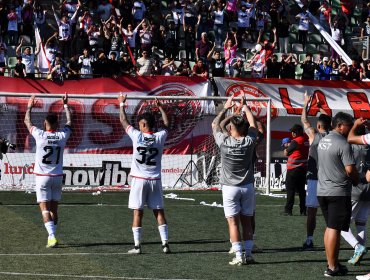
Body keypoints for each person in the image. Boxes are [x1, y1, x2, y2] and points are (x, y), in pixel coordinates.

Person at [118, 93, 170, 254]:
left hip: (139, 180)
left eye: (140, 123)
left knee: (138, 212)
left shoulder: (137, 136)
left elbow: (123, 120)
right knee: (159, 212)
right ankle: (165, 244)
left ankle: (137, 246)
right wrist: (161, 108)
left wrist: (121, 104)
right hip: (155, 179)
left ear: (143, 124)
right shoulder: (159, 137)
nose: (138, 125)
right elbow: (167, 124)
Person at [212, 93, 257, 265]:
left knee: (233, 223)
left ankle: (239, 256)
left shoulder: (224, 141)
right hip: (247, 186)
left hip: (230, 187)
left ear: (231, 128)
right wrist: (244, 106)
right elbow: (252, 124)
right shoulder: (249, 141)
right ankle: (249, 254)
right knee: (247, 222)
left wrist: (227, 108)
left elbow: (216, 124)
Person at [24, 94, 72, 248]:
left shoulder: (40, 135)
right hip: (57, 177)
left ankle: (51, 236)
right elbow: (70, 122)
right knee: (54, 210)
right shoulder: (62, 135)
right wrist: (65, 105)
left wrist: (30, 105)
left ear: (45, 124)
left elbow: (27, 121)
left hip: (42, 177)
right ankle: (52, 236)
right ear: (57, 125)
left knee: (44, 209)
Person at [317, 112, 359, 277]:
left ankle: (331, 262)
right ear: (340, 125)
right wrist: (358, 180)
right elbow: (350, 169)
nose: (351, 128)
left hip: (322, 190)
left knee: (329, 227)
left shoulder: (323, 140)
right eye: (349, 125)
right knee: (335, 228)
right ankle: (333, 267)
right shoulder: (343, 143)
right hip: (338, 192)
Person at [300, 91, 331, 250]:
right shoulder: (334, 136)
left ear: (318, 126)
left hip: (314, 179)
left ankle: (310, 240)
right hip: (330, 179)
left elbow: (304, 120)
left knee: (312, 211)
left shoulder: (314, 135)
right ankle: (331, 241)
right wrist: (321, 108)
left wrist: (306, 103)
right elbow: (329, 120)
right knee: (329, 213)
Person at [341, 122, 370, 265]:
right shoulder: (368, 145)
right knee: (361, 224)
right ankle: (358, 255)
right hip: (369, 189)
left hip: (356, 188)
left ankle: (357, 247)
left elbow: (347, 168)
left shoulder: (350, 146)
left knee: (341, 225)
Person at [282, 124, 309, 216]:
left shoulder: (296, 141)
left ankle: (288, 210)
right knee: (301, 190)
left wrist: (286, 150)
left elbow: (286, 152)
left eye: (293, 131)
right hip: (302, 168)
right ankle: (303, 210)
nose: (292, 133)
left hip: (293, 169)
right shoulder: (306, 139)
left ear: (297, 132)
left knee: (290, 190)